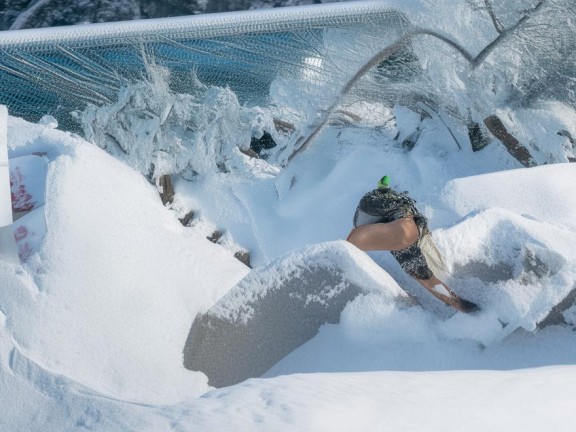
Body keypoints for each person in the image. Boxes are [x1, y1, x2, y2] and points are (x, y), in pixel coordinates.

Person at [346, 175, 479, 313]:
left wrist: (383, 188)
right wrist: (459, 303)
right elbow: (430, 282)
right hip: (375, 212)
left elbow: (430, 281)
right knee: (414, 263)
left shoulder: (402, 221)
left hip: (372, 203)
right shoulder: (405, 242)